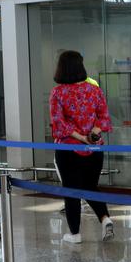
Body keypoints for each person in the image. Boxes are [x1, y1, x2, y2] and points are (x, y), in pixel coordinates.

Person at [48, 50, 114, 244]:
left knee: (71, 191)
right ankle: (105, 219)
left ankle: (75, 234)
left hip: (69, 150)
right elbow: (104, 118)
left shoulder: (58, 92)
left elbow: (59, 124)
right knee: (90, 186)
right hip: (95, 150)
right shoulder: (94, 90)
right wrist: (93, 134)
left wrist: (81, 138)